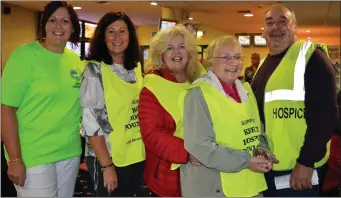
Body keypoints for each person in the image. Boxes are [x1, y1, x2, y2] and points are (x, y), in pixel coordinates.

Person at [251, 3, 337, 197]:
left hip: (298, 170)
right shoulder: (264, 63)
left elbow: (326, 116)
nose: (276, 27)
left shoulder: (312, 57)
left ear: (294, 27)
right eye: (270, 22)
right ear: (263, 30)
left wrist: (307, 162)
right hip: (269, 166)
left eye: (283, 21)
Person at [1, 1, 83, 197]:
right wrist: (14, 159)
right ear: (44, 25)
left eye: (65, 21)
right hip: (33, 154)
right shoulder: (24, 56)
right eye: (52, 20)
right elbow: (6, 108)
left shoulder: (75, 61)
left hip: (69, 153)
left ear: (72, 28)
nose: (58, 26)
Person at [180, 35, 277, 197]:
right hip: (216, 188)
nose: (233, 62)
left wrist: (262, 151)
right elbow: (200, 146)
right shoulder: (198, 93)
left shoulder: (246, 91)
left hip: (249, 185)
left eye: (237, 57)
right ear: (210, 62)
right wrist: (247, 161)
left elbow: (257, 132)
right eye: (225, 57)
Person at [80, 11, 145, 197]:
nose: (117, 37)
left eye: (122, 31)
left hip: (135, 154)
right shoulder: (94, 70)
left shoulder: (135, 68)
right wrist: (106, 166)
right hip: (107, 158)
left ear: (130, 36)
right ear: (102, 36)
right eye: (111, 32)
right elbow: (91, 124)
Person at [138, 25, 203, 197]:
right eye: (169, 48)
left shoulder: (197, 80)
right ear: (160, 53)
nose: (176, 52)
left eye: (182, 47)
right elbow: (151, 134)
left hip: (200, 170)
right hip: (167, 175)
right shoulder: (152, 86)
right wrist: (187, 153)